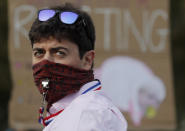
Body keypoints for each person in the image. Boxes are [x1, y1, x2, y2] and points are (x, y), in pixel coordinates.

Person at [28, 3, 127, 131]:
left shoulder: (88, 115)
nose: (45, 61)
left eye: (59, 53)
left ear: (87, 60)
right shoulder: (71, 110)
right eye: (39, 53)